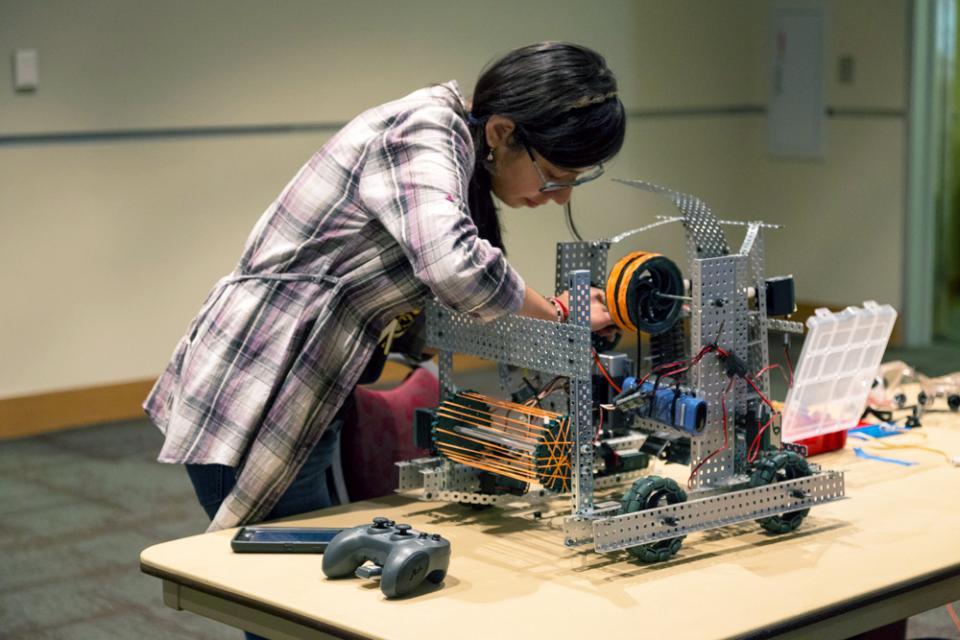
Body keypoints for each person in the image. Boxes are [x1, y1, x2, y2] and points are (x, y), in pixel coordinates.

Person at [144, 41, 626, 534]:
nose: (560, 196)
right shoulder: (423, 130)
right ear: (502, 132)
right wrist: (558, 318)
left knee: (316, 564)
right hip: (260, 384)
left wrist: (548, 313)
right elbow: (457, 268)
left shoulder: (457, 149)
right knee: (285, 577)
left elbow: (454, 286)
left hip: (308, 387)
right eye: (554, 177)